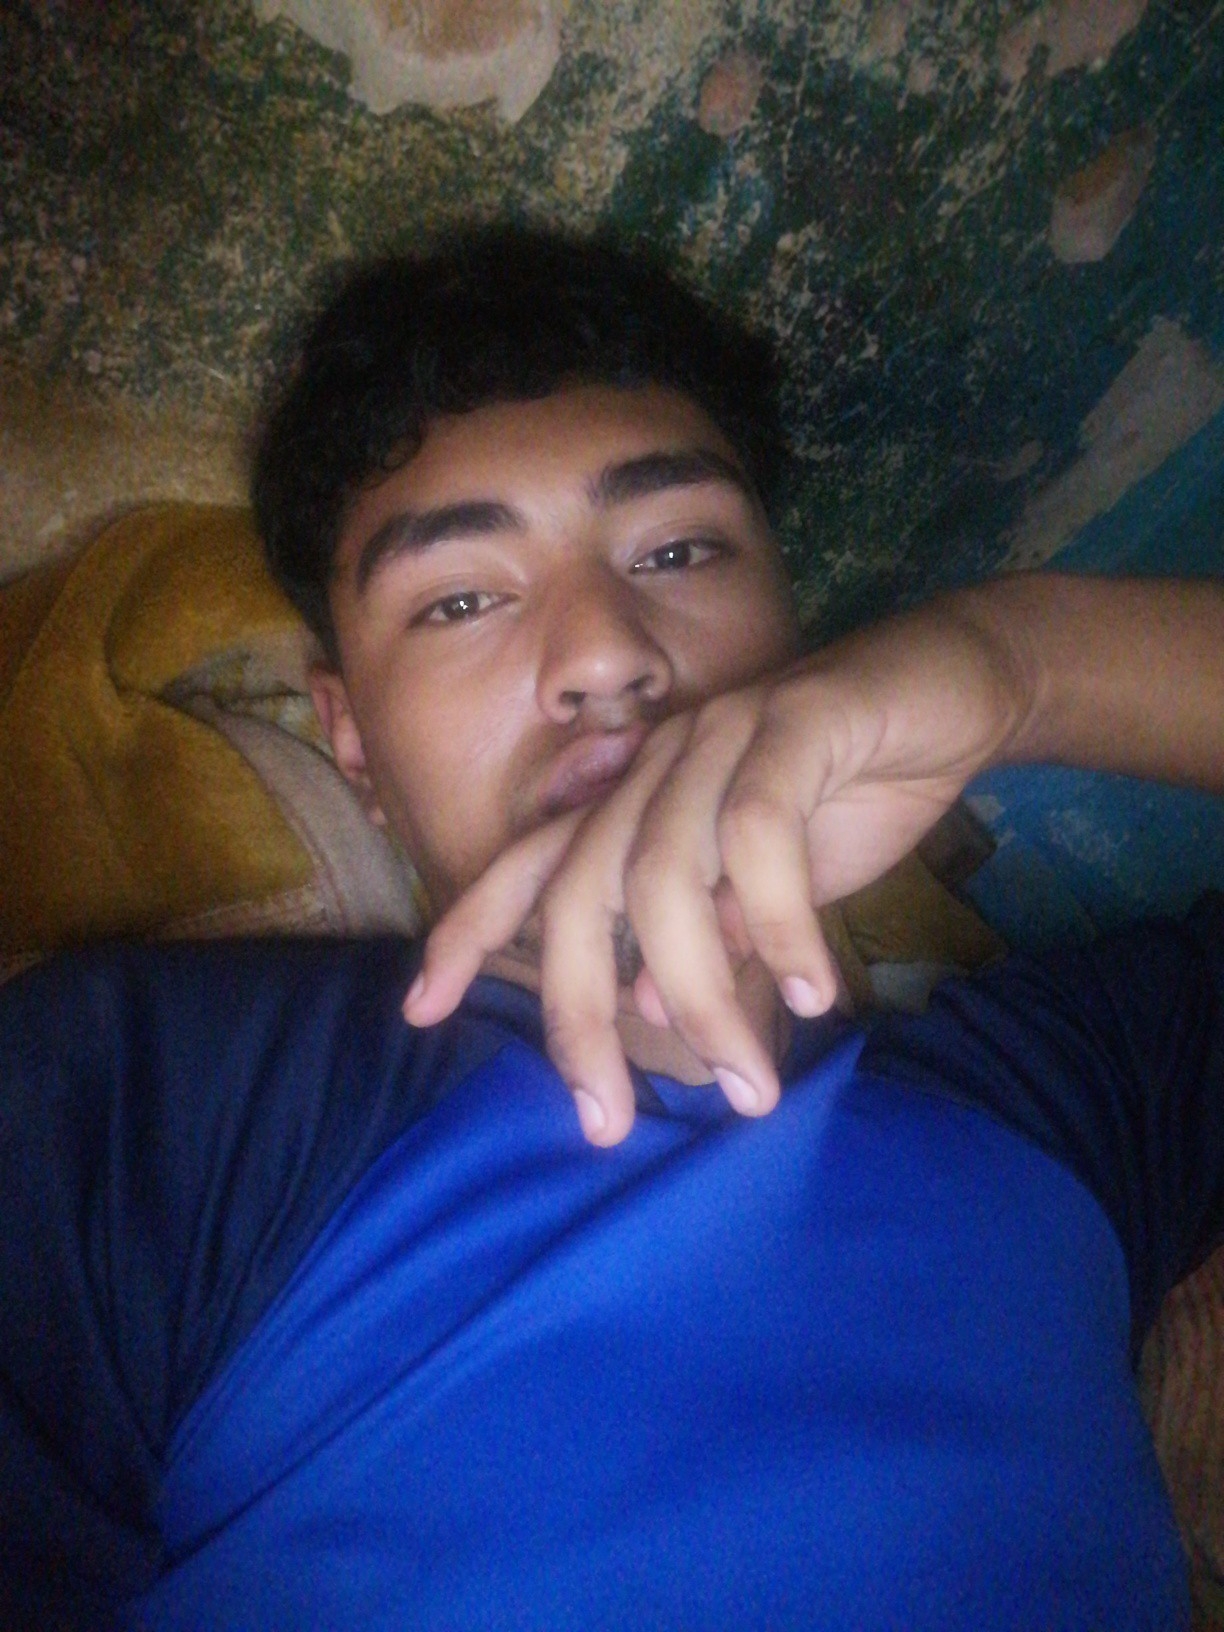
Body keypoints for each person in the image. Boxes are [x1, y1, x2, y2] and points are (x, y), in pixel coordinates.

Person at [0, 227, 1220, 1631]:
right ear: (355, 748)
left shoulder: (1061, 1096)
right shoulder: (147, 1108)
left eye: (680, 548)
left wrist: (1015, 665)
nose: (604, 654)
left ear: (799, 637)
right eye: (460, 599)